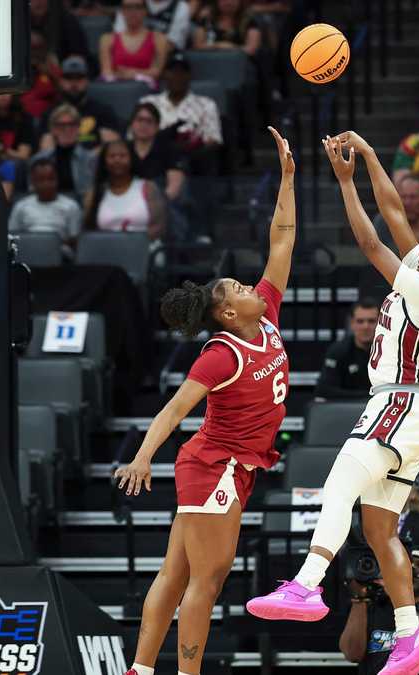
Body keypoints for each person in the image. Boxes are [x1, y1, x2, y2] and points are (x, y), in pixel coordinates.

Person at [249, 130, 419, 675]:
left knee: (339, 482)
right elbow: (392, 209)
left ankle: (307, 586)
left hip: (400, 404)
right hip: (413, 411)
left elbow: (371, 242)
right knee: (381, 529)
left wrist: (344, 183)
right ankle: (411, 634)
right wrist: (366, 155)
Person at [112, 127, 295, 675]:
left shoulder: (265, 313)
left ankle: (141, 670)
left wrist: (287, 178)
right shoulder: (220, 354)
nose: (249, 287)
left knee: (175, 572)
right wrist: (143, 456)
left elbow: (281, 240)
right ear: (227, 314)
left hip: (230, 465)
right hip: (215, 466)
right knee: (207, 578)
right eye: (238, 289)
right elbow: (173, 411)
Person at [339, 546, 419, 675]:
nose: (410, 569)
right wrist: (360, 597)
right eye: (406, 563)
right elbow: (352, 654)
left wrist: (399, 595)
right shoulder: (374, 607)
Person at [140, 52, 223, 173]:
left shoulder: (206, 104)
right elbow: (134, 137)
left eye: (182, 72)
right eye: (172, 71)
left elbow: (214, 140)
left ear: (189, 76)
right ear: (164, 75)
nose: (177, 76)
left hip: (193, 163)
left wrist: (190, 148)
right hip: (153, 161)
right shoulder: (148, 102)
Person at [85, 139, 167, 241]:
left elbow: (159, 225)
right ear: (104, 161)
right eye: (112, 156)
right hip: (107, 251)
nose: (117, 160)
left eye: (123, 156)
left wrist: (133, 244)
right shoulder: (94, 193)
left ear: (132, 159)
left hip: (145, 250)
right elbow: (89, 230)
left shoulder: (148, 188)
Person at [9, 157, 83, 256]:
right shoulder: (21, 206)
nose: (46, 184)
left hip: (60, 257)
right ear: (33, 181)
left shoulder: (71, 206)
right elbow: (12, 237)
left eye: (51, 179)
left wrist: (50, 243)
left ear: (57, 179)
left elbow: (75, 240)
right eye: (41, 180)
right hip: (28, 254)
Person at [314, 299, 380, 401]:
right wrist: (368, 396)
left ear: (380, 323)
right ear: (352, 324)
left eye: (371, 321)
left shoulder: (391, 352)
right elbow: (323, 390)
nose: (365, 326)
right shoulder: (338, 351)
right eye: (360, 321)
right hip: (347, 412)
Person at [52, 56, 122, 148]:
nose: (74, 83)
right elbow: (46, 148)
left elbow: (113, 146)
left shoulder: (103, 111)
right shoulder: (52, 113)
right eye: (69, 78)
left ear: (87, 81)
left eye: (79, 78)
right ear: (61, 82)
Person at [100, 0, 170, 88]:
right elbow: (106, 72)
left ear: (145, 11)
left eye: (138, 7)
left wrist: (131, 74)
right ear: (122, 11)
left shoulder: (159, 39)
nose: (133, 12)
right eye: (128, 7)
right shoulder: (107, 39)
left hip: (146, 91)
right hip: (116, 90)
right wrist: (139, 73)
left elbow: (157, 72)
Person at [128, 102, 187, 205]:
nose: (143, 125)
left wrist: (154, 205)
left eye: (149, 121)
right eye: (140, 120)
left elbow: (174, 188)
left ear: (157, 127)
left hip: (163, 205)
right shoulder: (123, 149)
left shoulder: (170, 149)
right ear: (132, 124)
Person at [37, 104, 99, 200]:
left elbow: (92, 194)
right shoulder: (40, 160)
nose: (67, 129)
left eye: (72, 125)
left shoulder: (91, 159)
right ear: (53, 129)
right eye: (61, 125)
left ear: (79, 128)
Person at [191, 0, 262, 57]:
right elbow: (197, 46)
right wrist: (218, 46)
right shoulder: (207, 20)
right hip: (210, 62)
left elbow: (251, 49)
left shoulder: (249, 22)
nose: (229, 2)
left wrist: (231, 48)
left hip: (239, 65)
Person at [113, 0, 194, 50]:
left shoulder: (181, 7)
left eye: (138, 8)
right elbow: (118, 37)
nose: (134, 10)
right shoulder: (132, 2)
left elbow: (171, 45)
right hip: (126, 58)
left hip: (165, 63)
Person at [0, 93, 35, 163]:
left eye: (7, 92)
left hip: (16, 164)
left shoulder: (23, 118)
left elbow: (23, 155)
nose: (2, 96)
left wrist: (2, 149)